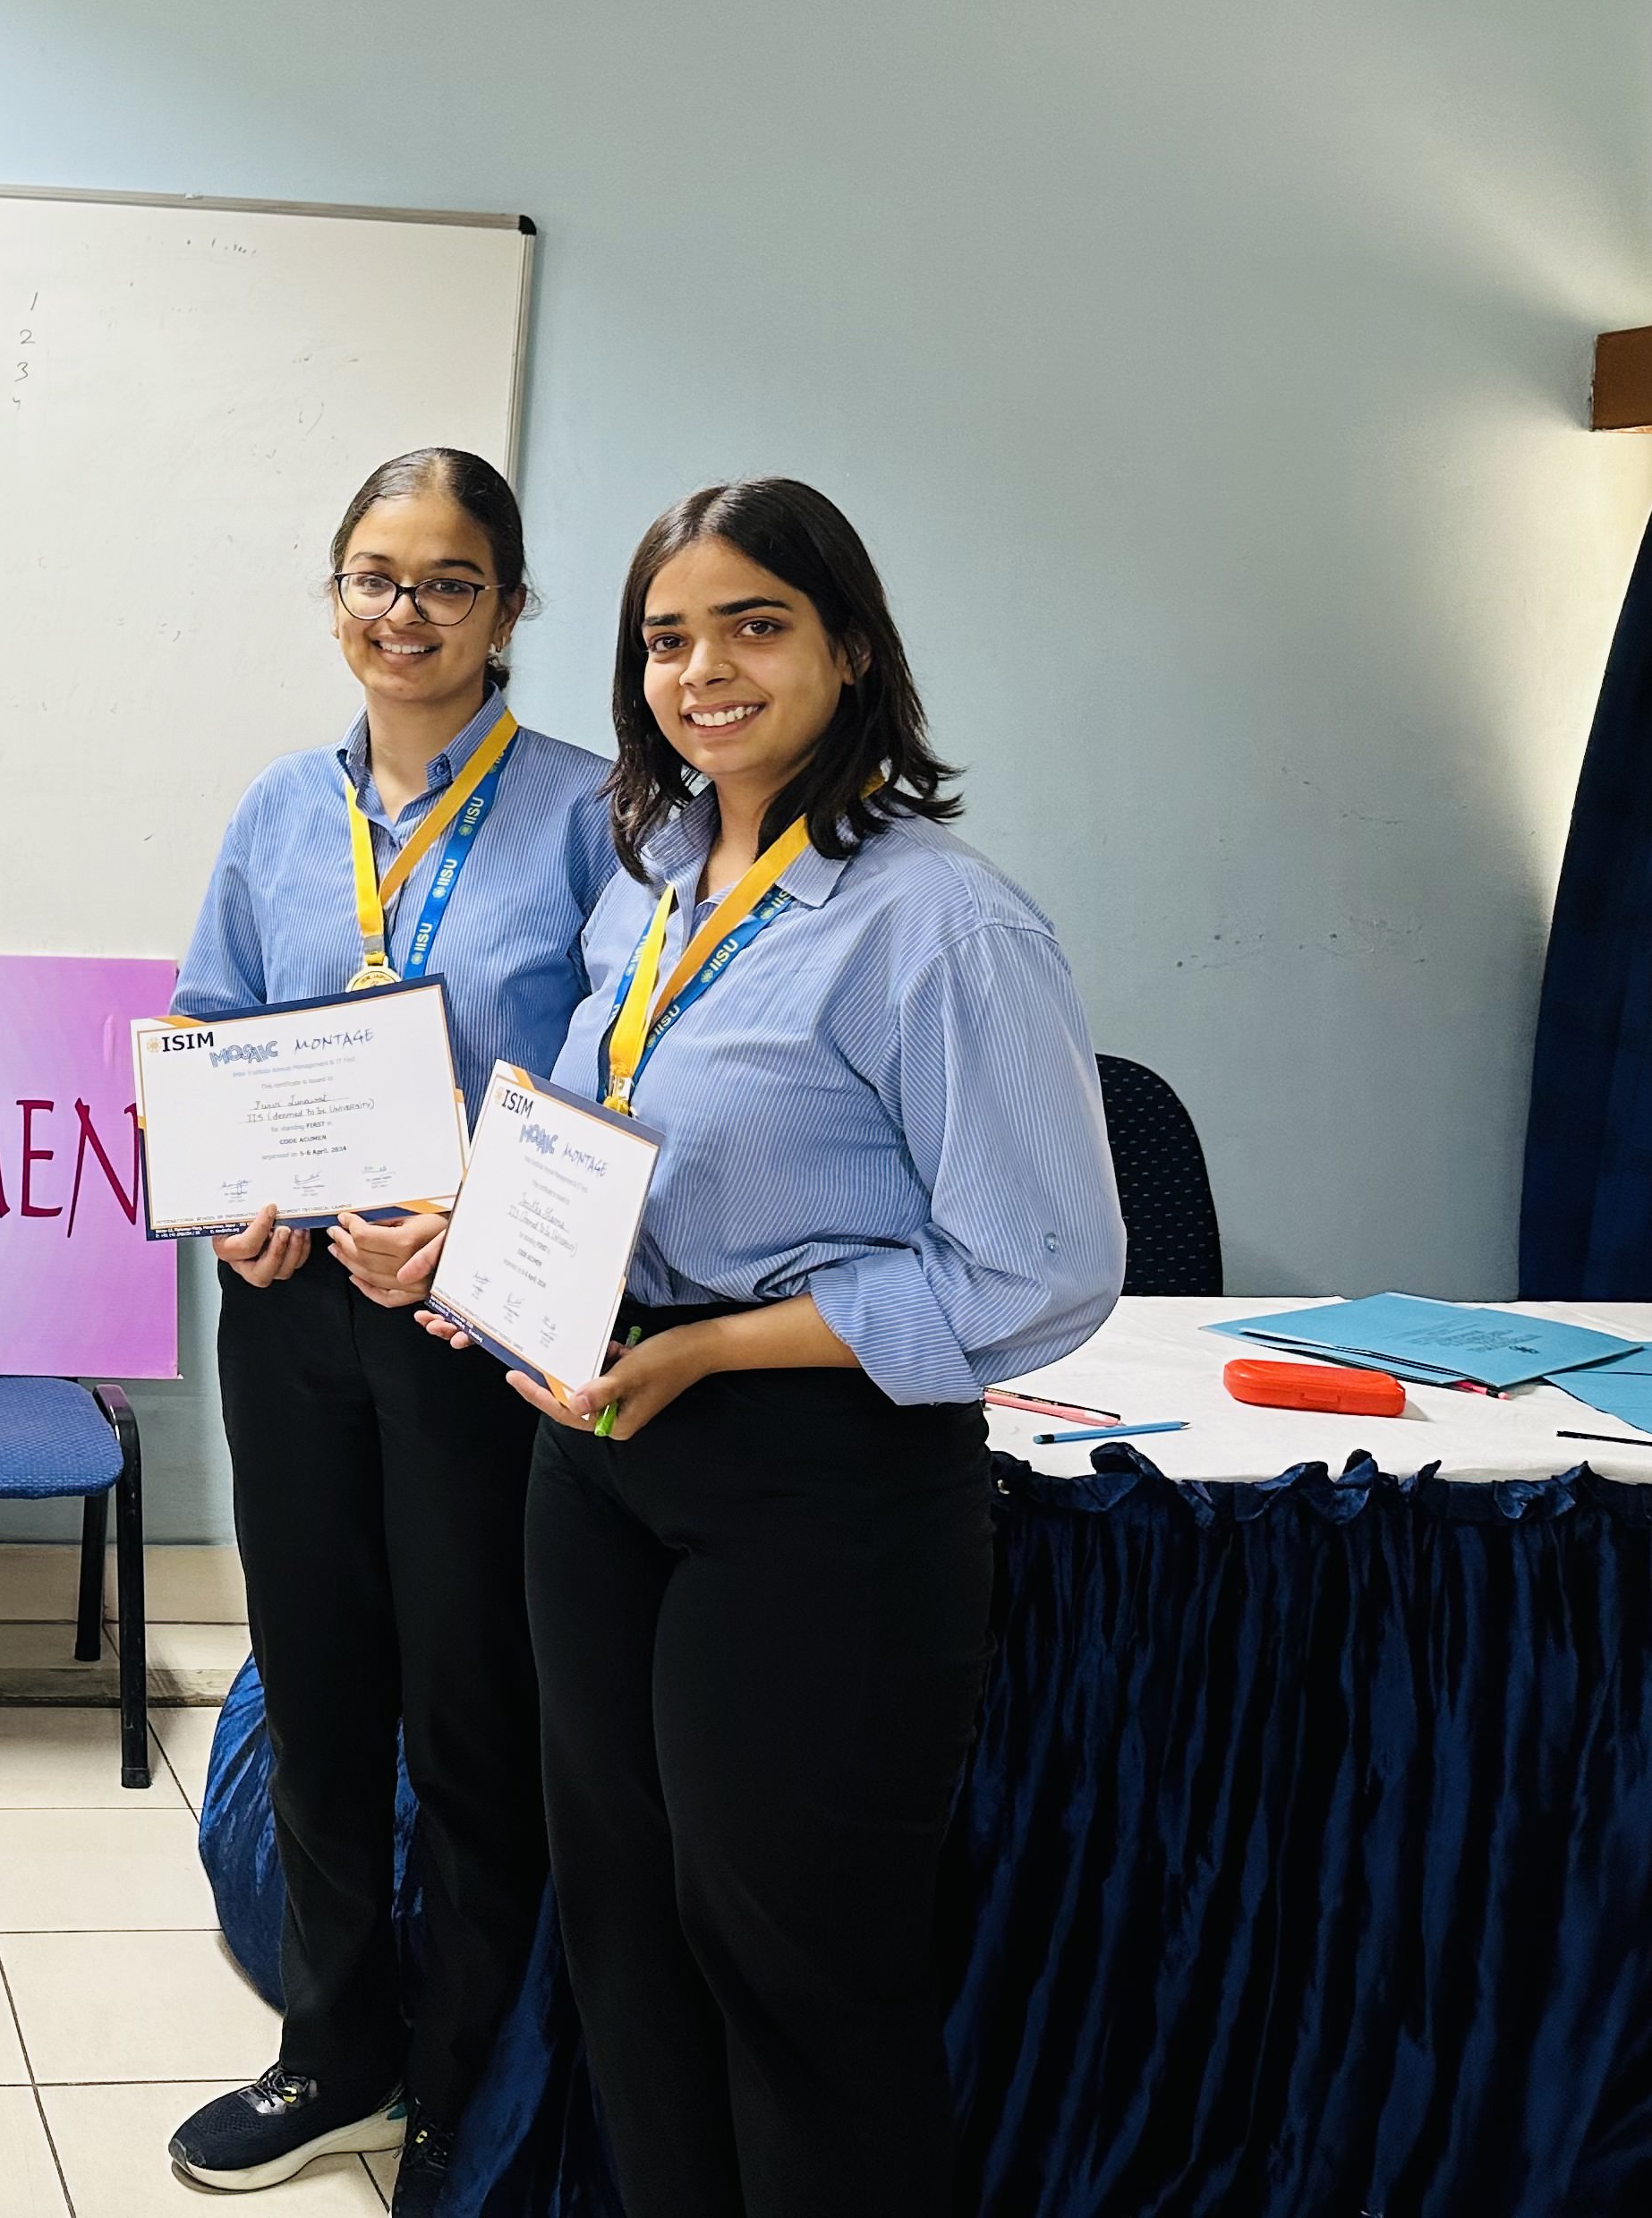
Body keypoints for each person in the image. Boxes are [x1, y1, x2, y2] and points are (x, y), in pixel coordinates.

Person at [468, 477, 1122, 2218]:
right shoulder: (652, 875)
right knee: (626, 1933)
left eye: (753, 625)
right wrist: (495, 1220)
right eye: (666, 638)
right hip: (600, 1445)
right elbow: (617, 1133)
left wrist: (717, 1352)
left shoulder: (942, 924)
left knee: (797, 1967)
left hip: (819, 1481)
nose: (704, 671)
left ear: (851, 650)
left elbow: (1047, 1269)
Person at [165, 448, 616, 2206]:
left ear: (509, 607)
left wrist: (470, 1223)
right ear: (336, 593)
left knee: (476, 1714)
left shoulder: (593, 817)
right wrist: (236, 1200)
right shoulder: (283, 809)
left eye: (446, 581)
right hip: (292, 1314)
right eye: (374, 575)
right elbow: (209, 1026)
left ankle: (470, 2086)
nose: (403, 612)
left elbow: (618, 1080)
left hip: (471, 1327)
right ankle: (335, 2049)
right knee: (320, 1690)